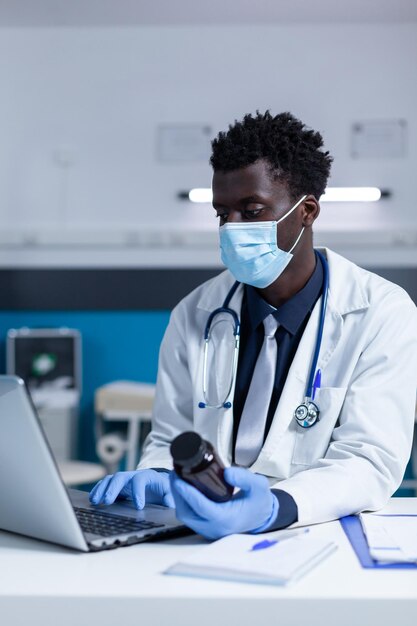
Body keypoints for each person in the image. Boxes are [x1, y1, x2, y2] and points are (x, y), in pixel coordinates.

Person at [90, 111, 417, 539]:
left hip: (318, 532)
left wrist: (273, 508)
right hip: (201, 535)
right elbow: (171, 436)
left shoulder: (381, 312)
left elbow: (369, 460)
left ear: (307, 212)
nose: (232, 229)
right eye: (221, 213)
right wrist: (156, 476)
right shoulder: (195, 313)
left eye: (252, 210)